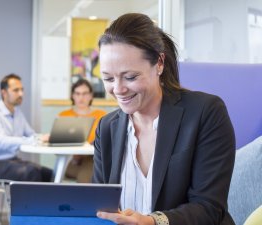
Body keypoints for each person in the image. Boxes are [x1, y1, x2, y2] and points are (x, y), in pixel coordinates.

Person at [93, 13, 235, 225]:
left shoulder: (205, 112)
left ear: (159, 63)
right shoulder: (107, 127)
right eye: (108, 78)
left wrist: (152, 221)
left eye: (130, 77)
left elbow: (209, 208)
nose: (118, 89)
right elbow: (98, 206)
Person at [0, 74, 53, 182]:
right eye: (16, 90)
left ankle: (47, 200)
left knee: (49, 174)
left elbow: (31, 134)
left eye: (22, 90)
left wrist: (45, 137)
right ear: (4, 92)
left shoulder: (18, 113)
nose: (21, 94)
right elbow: (2, 141)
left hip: (12, 161)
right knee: (31, 172)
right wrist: (34, 140)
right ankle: (27, 200)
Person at [59, 79, 106, 183]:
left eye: (85, 94)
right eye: (77, 93)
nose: (81, 98)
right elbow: (58, 143)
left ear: (91, 96)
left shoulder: (102, 116)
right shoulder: (63, 116)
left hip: (94, 158)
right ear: (73, 96)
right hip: (71, 159)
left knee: (85, 176)